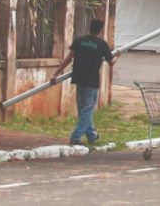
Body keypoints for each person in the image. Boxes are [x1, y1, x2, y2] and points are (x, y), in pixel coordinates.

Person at [50, 18, 118, 146]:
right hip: (92, 81)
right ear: (100, 30)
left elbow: (68, 59)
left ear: (90, 27)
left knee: (83, 110)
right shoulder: (101, 44)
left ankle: (92, 135)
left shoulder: (79, 41)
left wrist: (55, 73)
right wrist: (117, 56)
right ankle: (76, 137)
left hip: (79, 79)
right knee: (87, 110)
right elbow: (111, 63)